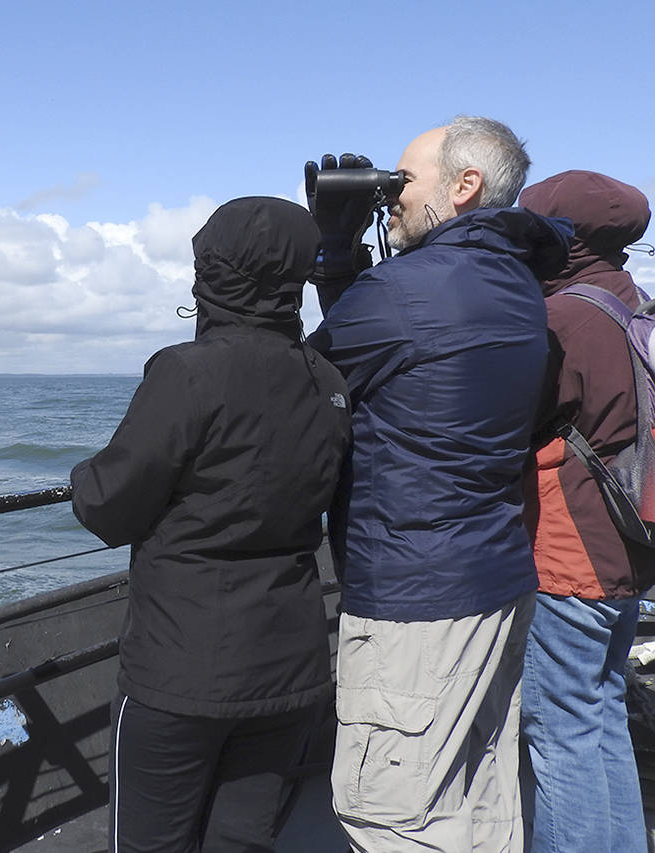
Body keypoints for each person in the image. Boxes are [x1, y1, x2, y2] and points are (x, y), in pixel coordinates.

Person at [305, 116, 572, 851]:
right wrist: (348, 253)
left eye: (402, 181)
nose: (388, 196)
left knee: (391, 814)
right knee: (478, 798)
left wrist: (330, 248)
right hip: (492, 577)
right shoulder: (515, 283)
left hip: (415, 597)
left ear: (464, 186)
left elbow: (303, 379)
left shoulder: (411, 291)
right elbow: (381, 343)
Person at [70, 196, 351, 853]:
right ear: (297, 277)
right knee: (242, 840)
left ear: (210, 272)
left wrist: (85, 476)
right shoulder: (328, 380)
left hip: (181, 671)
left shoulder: (187, 372)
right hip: (289, 669)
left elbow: (108, 505)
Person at [516, 169, 655, 853]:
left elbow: (512, 422)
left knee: (561, 735)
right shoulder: (639, 306)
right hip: (628, 547)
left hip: (567, 554)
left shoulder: (564, 316)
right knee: (601, 718)